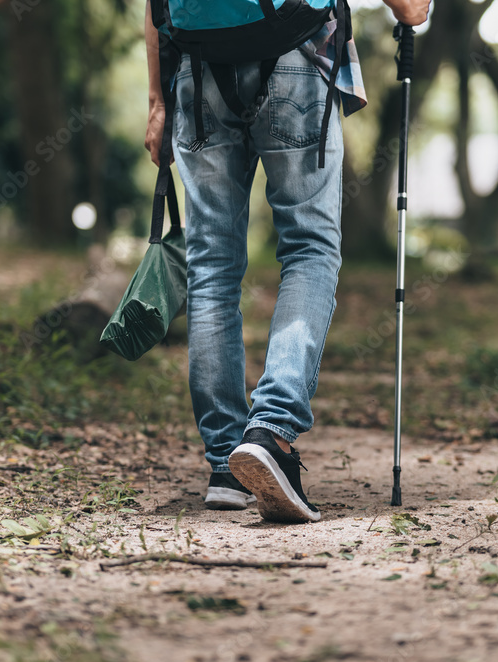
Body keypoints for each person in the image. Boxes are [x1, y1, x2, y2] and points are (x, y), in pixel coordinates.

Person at [145, 0, 431, 523]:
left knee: (211, 266)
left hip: (196, 68)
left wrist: (157, 102)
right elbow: (410, 8)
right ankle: (271, 431)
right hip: (295, 55)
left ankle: (226, 466)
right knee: (309, 248)